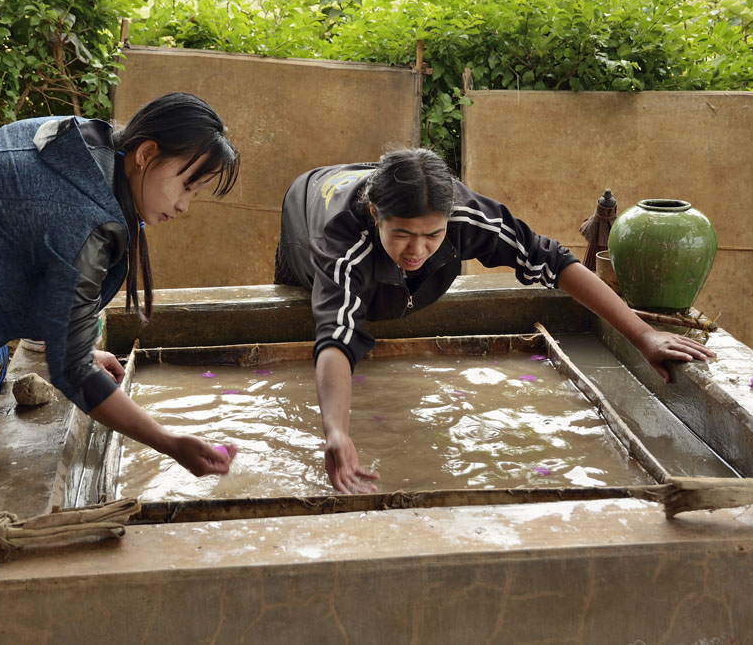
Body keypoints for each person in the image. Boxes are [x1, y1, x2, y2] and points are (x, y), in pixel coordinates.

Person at [0, 92, 240, 643]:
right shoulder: (83, 213)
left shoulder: (94, 146)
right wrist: (169, 442)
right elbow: (74, 370)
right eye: (186, 184)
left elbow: (17, 232)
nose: (184, 206)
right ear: (147, 154)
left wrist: (66, 336)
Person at [274, 148, 714, 495]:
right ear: (376, 217)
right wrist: (335, 430)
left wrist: (642, 334)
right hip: (309, 204)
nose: (417, 250)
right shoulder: (339, 243)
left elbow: (552, 261)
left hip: (377, 184)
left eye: (433, 235)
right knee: (314, 318)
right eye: (403, 235)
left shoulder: (465, 215)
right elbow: (336, 335)